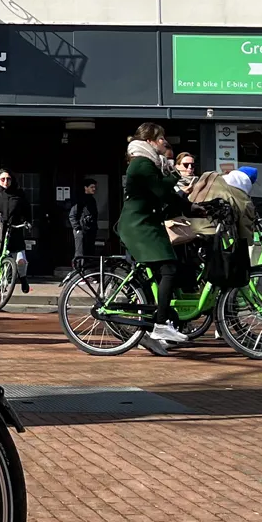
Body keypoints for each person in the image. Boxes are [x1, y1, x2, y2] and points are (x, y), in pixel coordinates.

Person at [117, 123, 194, 354]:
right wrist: (176, 175)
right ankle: (160, 325)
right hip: (140, 226)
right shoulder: (142, 163)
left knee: (162, 274)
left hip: (146, 224)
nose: (165, 143)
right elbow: (161, 191)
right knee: (169, 269)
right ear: (151, 140)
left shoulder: (149, 163)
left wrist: (194, 207)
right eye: (162, 139)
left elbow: (167, 196)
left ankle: (152, 330)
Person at [68, 179, 99, 270]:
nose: (94, 189)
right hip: (81, 230)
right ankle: (78, 273)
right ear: (86, 188)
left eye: (94, 187)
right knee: (80, 253)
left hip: (90, 230)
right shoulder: (80, 200)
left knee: (89, 253)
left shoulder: (92, 200)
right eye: (91, 187)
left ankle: (88, 273)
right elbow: (72, 215)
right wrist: (77, 228)